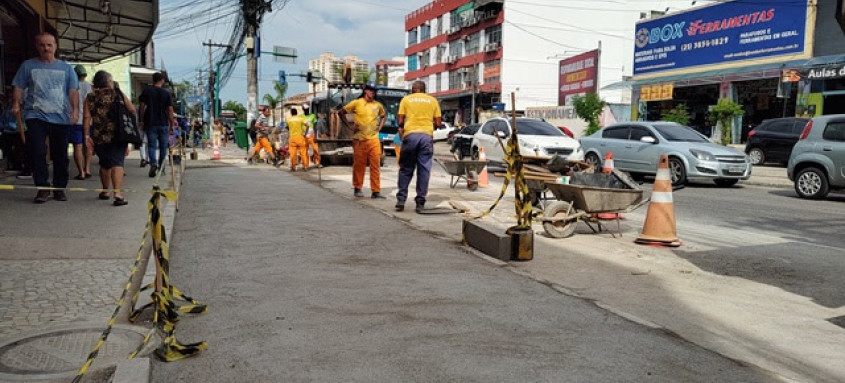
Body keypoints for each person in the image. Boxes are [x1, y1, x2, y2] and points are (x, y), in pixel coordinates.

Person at [11, 31, 79, 203]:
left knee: (60, 155)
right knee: (37, 152)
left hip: (60, 116)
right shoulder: (28, 66)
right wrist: (16, 103)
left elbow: (72, 91)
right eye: (42, 45)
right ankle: (42, 188)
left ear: (55, 47)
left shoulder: (66, 68)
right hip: (35, 115)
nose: (46, 48)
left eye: (49, 45)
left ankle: (59, 188)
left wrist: (75, 110)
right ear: (37, 47)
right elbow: (18, 87)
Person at [84, 70, 133, 206]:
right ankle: (117, 193)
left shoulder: (90, 97)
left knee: (104, 164)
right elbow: (131, 109)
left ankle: (105, 191)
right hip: (117, 134)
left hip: (99, 135)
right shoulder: (117, 94)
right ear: (109, 82)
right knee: (117, 162)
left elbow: (87, 117)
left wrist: (87, 135)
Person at [395, 80, 442, 213]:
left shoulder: (406, 100)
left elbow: (400, 120)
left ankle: (401, 200)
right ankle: (420, 202)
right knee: (424, 170)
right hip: (426, 137)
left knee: (406, 169)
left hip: (410, 136)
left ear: (412, 90)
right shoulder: (433, 101)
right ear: (424, 90)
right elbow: (438, 123)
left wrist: (402, 129)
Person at [338, 82, 386, 198]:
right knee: (359, 165)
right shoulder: (356, 103)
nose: (372, 92)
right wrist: (350, 126)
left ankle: (376, 191)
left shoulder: (377, 105)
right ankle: (358, 187)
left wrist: (380, 127)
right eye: (370, 90)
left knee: (375, 165)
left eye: (374, 91)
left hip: (374, 139)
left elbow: (384, 116)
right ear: (365, 91)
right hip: (359, 139)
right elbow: (341, 112)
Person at [138, 72, 174, 178]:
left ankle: (153, 163)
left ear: (153, 80)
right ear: (162, 80)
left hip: (150, 122)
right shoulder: (166, 93)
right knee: (163, 147)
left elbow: (141, 106)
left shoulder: (147, 91)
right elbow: (170, 110)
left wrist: (141, 119)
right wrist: (171, 124)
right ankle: (161, 168)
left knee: (152, 145)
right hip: (163, 123)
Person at [70, 64, 93, 180]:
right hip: (88, 121)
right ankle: (87, 168)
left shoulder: (70, 86)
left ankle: (81, 172)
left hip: (75, 120)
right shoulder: (89, 87)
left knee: (77, 147)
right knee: (88, 144)